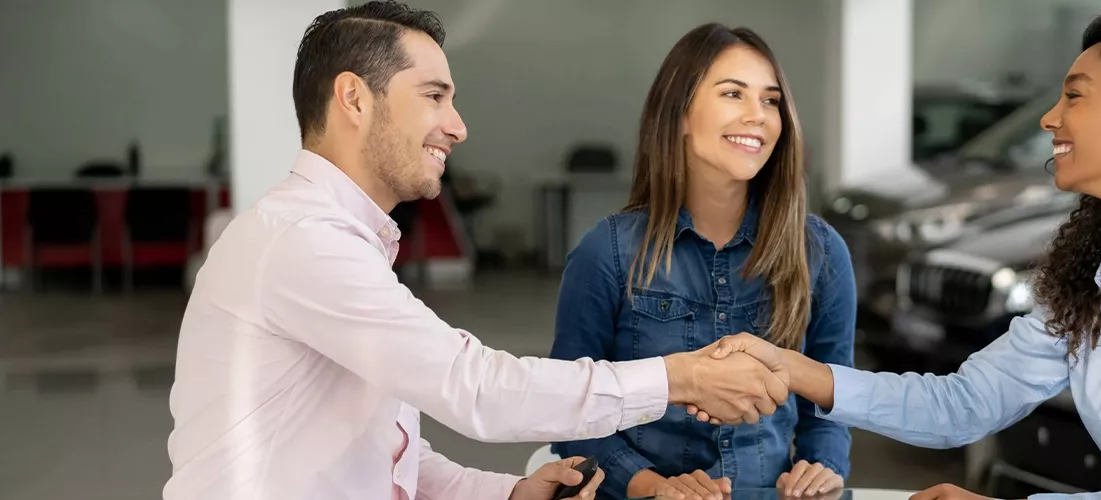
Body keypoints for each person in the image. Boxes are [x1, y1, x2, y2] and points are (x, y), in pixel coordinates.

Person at [696, 10, 1101, 500]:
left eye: (1074, 95)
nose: (1049, 118)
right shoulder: (1096, 281)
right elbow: (964, 403)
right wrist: (791, 369)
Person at [164, 3, 787, 500]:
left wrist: (508, 491)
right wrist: (682, 376)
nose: (458, 125)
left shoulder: (339, 242)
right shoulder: (303, 243)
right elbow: (476, 389)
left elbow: (381, 445)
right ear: (354, 98)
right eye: (434, 96)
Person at [547, 23, 855, 500]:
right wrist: (652, 486)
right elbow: (569, 409)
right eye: (734, 93)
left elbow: (834, 391)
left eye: (770, 100)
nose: (758, 115)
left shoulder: (821, 251)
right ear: (680, 115)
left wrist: (822, 463)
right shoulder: (606, 251)